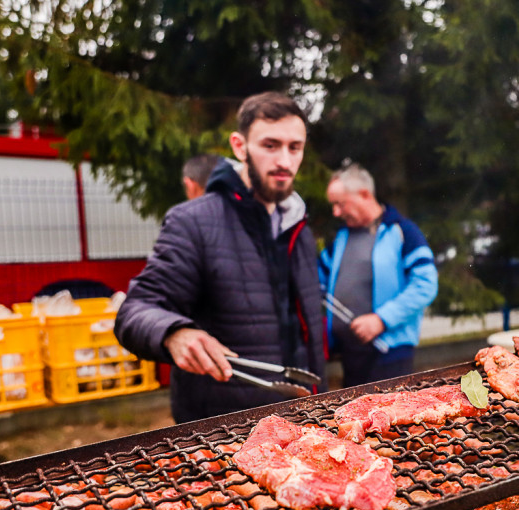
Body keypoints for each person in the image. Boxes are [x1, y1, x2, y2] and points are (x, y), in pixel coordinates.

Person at [115, 92, 326, 423]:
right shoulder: (194, 221)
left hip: (300, 414)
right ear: (240, 147)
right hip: (222, 428)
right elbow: (135, 311)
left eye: (294, 147)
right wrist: (174, 333)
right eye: (270, 146)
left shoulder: (299, 226)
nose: (284, 161)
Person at [319, 163, 438, 387]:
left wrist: (381, 320)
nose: (335, 212)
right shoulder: (340, 238)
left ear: (364, 194)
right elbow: (318, 279)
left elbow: (425, 285)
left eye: (340, 203)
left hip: (389, 354)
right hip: (350, 354)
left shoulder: (403, 231)